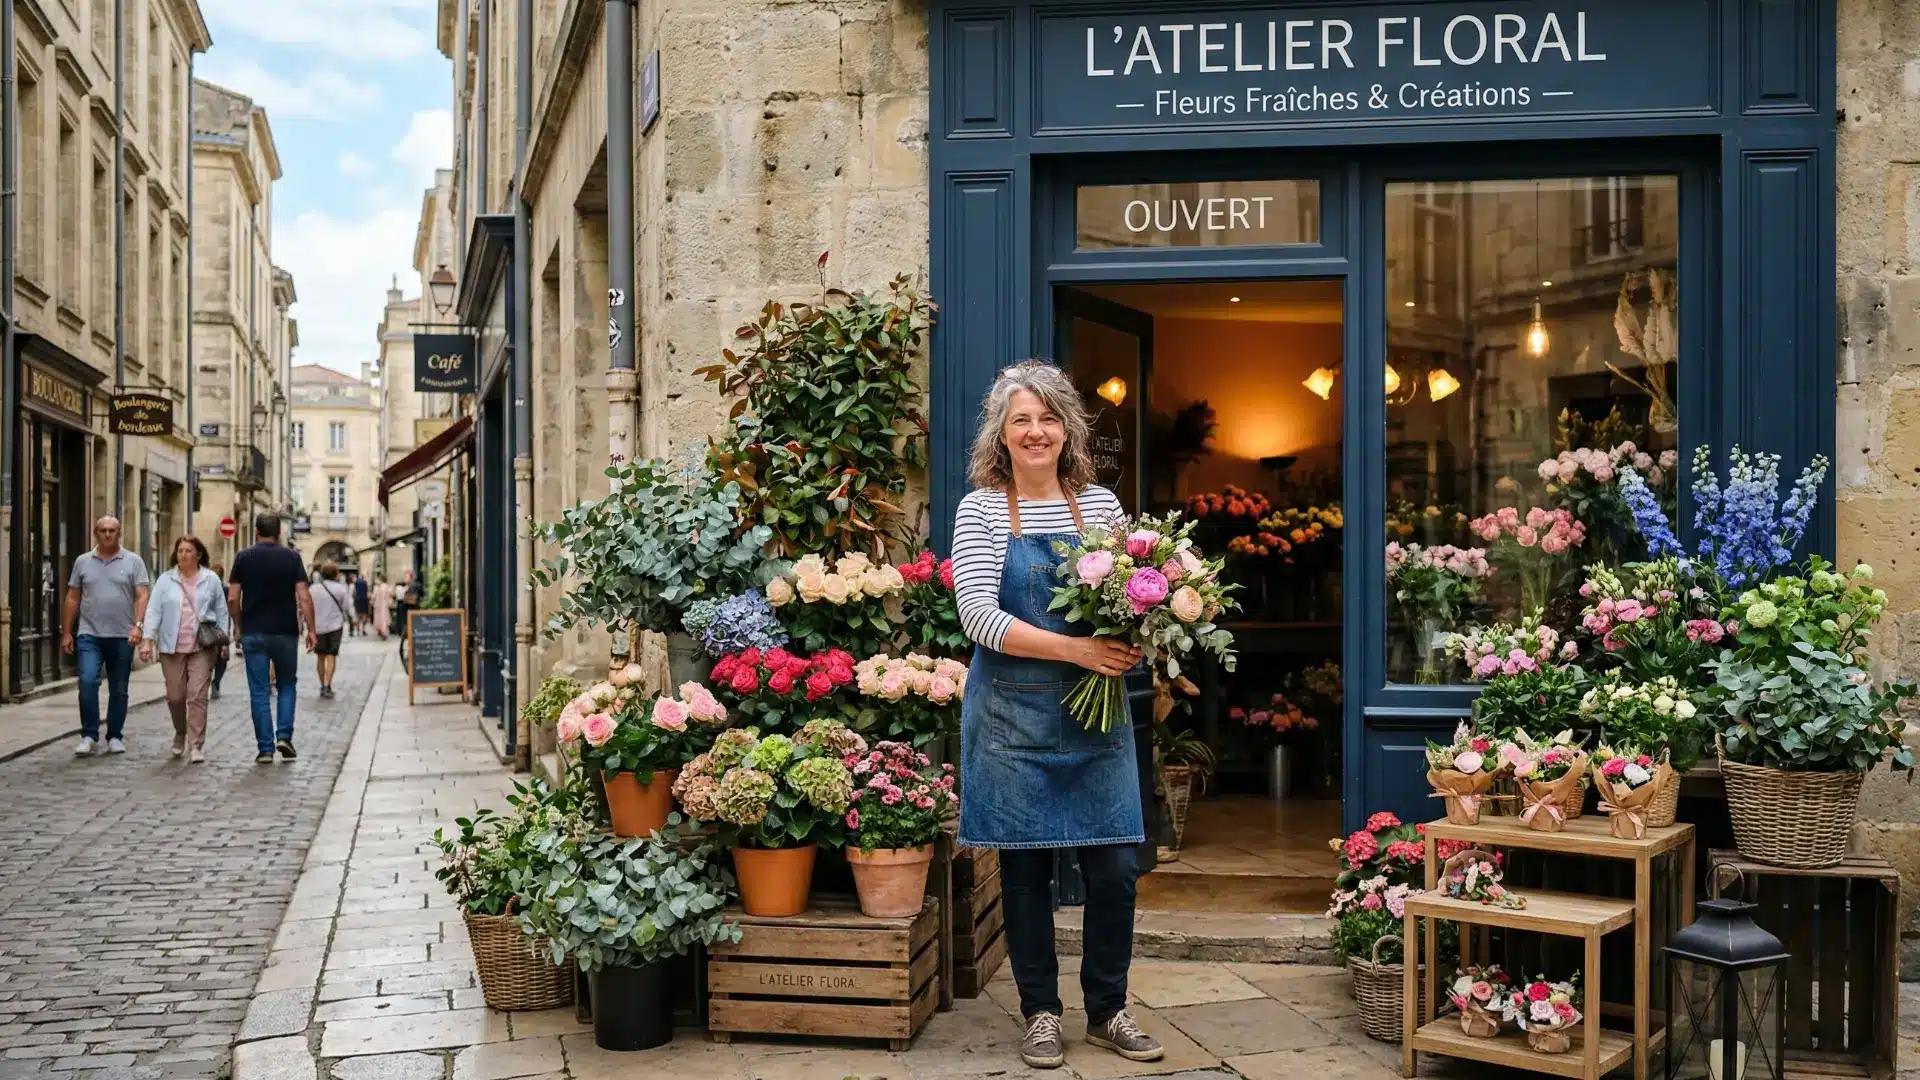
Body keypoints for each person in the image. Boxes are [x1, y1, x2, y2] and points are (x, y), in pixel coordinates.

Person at [952, 360, 1157, 1070]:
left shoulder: (1100, 506)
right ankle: (1040, 1012)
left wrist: (1137, 633)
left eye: (1047, 418)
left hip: (1095, 721)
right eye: (1021, 420)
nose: (1035, 432)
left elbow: (1129, 601)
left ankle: (1108, 1010)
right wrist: (1077, 649)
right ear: (1001, 435)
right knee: (1026, 875)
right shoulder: (981, 510)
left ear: (1068, 429)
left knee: (1115, 869)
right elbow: (978, 616)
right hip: (1012, 720)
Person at [228, 514, 316, 764]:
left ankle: (265, 749)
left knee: (259, 690)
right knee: (287, 684)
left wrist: (238, 625)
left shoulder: (243, 558)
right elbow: (304, 596)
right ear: (279, 533)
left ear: (256, 532)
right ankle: (284, 737)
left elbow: (233, 597)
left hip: (253, 632)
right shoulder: (292, 557)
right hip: (285, 632)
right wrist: (311, 629)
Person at [62, 517, 152, 756]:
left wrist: (138, 626)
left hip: (123, 635)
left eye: (112, 530)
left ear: (119, 533)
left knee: (119, 688)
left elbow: (142, 595)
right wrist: (67, 632)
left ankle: (115, 735)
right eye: (103, 530)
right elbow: (72, 597)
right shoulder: (82, 561)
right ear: (96, 533)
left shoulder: (133, 561)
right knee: (88, 681)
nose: (107, 534)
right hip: (89, 633)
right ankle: (89, 734)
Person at [138, 536, 229, 764]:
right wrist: (147, 640)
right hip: (171, 647)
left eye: (189, 550)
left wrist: (224, 641)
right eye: (180, 551)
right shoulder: (165, 580)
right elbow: (154, 611)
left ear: (198, 554)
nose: (184, 555)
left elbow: (221, 611)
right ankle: (180, 731)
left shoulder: (211, 579)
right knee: (175, 697)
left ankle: (196, 744)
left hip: (202, 647)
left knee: (197, 695)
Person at [311, 561, 352, 698]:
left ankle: (322, 685)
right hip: (335, 626)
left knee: (320, 657)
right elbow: (346, 607)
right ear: (336, 574)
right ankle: (328, 685)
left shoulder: (313, 589)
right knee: (331, 656)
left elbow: (309, 607)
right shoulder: (340, 589)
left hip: (318, 627)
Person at [208, 563, 231, 699]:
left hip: (218, 628)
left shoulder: (225, 590)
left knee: (221, 658)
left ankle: (215, 682)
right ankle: (215, 682)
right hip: (212, 629)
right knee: (219, 659)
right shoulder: (205, 589)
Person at [371, 575, 394, 641]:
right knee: (384, 618)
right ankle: (384, 632)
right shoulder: (387, 586)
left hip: (378, 606)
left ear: (381, 580)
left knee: (379, 619)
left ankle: (381, 631)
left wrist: (371, 598)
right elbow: (391, 594)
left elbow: (373, 596)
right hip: (385, 605)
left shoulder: (378, 587)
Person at [352, 572, 370, 636]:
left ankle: (358, 631)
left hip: (358, 600)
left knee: (358, 616)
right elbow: (367, 591)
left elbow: (354, 592)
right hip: (364, 599)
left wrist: (354, 599)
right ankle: (363, 629)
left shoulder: (356, 583)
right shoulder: (365, 582)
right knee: (365, 615)